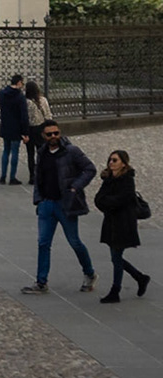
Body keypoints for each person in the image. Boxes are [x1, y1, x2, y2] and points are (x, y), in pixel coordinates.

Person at [23, 120, 96, 295]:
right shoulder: (42, 153)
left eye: (56, 133)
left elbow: (90, 169)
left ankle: (89, 273)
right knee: (43, 243)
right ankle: (41, 282)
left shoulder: (71, 151)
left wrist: (75, 186)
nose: (54, 137)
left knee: (74, 241)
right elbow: (39, 178)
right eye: (50, 134)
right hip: (47, 204)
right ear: (43, 136)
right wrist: (39, 200)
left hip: (65, 204)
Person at [94, 150, 150, 304]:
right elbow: (98, 199)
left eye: (115, 160)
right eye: (110, 160)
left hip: (123, 223)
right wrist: (107, 203)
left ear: (123, 163)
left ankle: (116, 290)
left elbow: (121, 200)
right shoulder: (108, 178)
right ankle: (140, 277)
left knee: (116, 257)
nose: (111, 162)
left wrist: (107, 203)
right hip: (111, 222)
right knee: (115, 257)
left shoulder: (127, 180)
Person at [0, 73, 30, 184]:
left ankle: (2, 176)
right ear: (19, 82)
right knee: (15, 151)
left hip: (6, 125)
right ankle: (12, 177)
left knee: (6, 150)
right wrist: (25, 132)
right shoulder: (20, 97)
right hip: (16, 127)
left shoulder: (2, 94)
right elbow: (24, 115)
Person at [22, 79, 55, 183]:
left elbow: (23, 117)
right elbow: (48, 115)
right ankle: (42, 174)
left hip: (30, 129)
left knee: (30, 154)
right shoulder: (43, 100)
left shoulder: (25, 102)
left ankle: (32, 176)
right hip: (41, 128)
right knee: (42, 153)